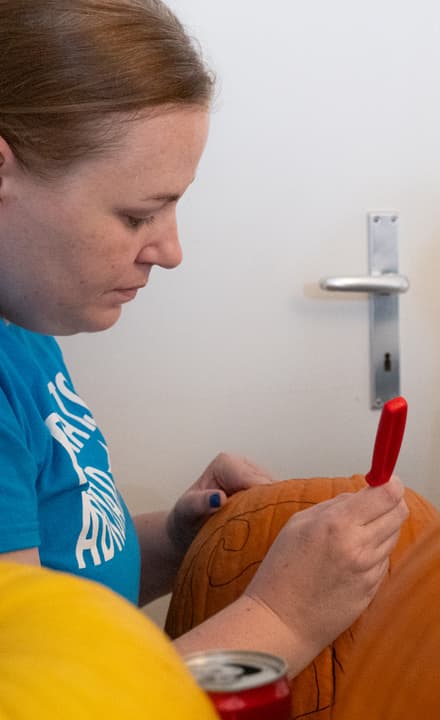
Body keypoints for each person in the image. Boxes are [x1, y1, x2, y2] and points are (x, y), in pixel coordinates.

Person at [0, 0, 409, 677]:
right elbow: (46, 696)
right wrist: (283, 616)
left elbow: (57, 595)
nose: (169, 249)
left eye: (174, 206)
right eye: (138, 214)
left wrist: (175, 541)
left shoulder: (25, 334)